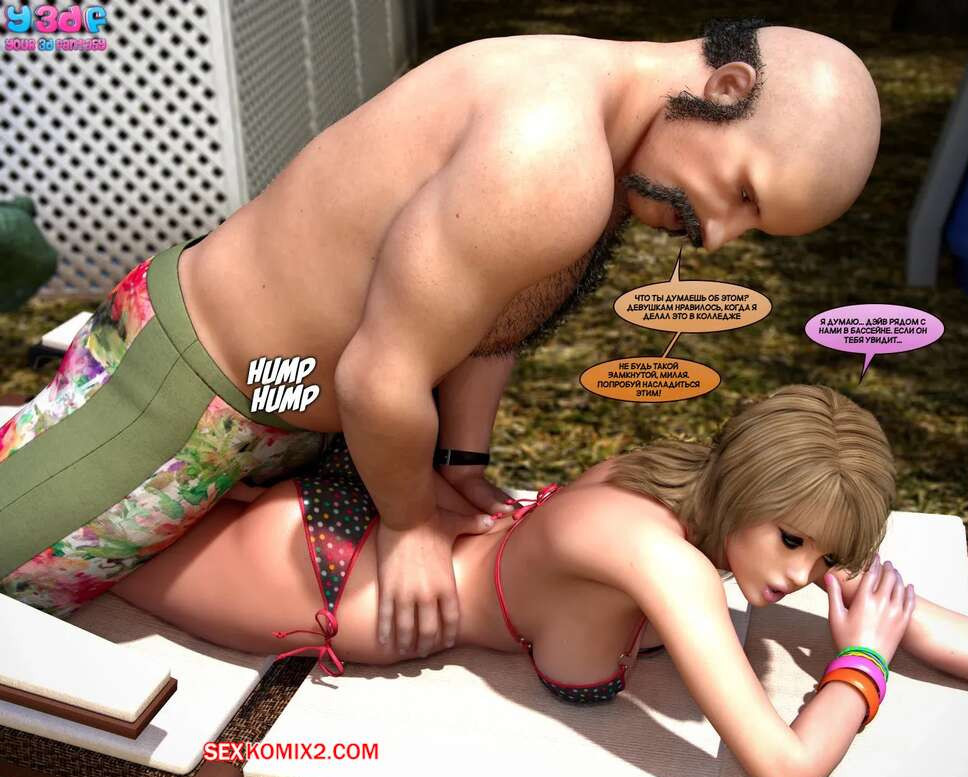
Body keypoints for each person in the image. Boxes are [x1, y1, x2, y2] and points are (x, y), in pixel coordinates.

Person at [0, 19, 883, 654]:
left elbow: (491, 317)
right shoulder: (549, 156)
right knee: (19, 582)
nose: (718, 236)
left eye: (753, 227)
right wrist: (411, 524)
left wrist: (457, 462)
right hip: (193, 386)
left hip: (284, 402)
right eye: (743, 194)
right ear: (725, 90)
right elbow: (380, 376)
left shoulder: (603, 129)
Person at [109, 385, 968, 777]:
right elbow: (786, 772)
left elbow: (893, 603)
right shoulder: (668, 563)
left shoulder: (714, 491)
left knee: (123, 522)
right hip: (319, 574)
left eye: (823, 553)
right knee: (76, 558)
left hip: (370, 536)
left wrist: (873, 605)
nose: (800, 576)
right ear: (753, 487)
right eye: (794, 542)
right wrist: (861, 663)